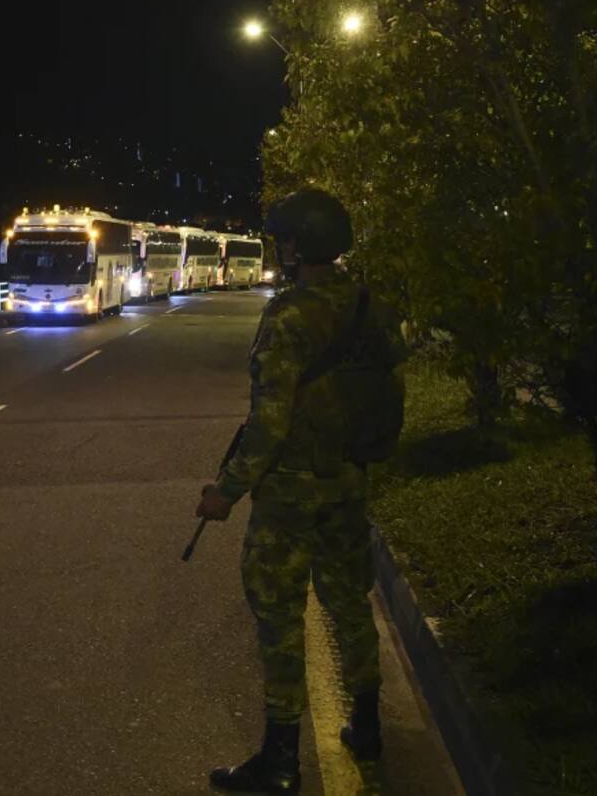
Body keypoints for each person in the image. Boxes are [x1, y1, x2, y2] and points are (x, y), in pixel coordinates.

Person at [196, 189, 408, 792]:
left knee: (279, 615)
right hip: (347, 482)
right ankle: (367, 727)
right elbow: (392, 388)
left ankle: (282, 759)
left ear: (297, 246)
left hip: (289, 494)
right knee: (349, 604)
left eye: (284, 240)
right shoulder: (374, 307)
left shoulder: (289, 316)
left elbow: (269, 423)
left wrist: (226, 494)